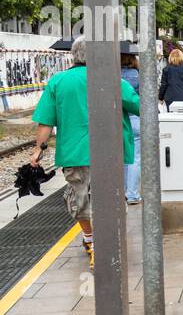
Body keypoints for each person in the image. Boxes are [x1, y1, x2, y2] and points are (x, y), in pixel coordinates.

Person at [29, 38, 141, 267]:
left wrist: (38, 151)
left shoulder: (58, 82)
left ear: (74, 55)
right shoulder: (112, 80)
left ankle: (91, 241)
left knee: (80, 198)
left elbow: (45, 122)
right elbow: (140, 106)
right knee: (108, 197)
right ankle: (104, 243)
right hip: (110, 151)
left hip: (74, 152)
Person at [120, 52, 142, 204]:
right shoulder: (137, 75)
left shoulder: (112, 76)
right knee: (135, 158)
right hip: (135, 118)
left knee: (123, 158)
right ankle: (132, 194)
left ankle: (124, 191)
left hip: (118, 119)